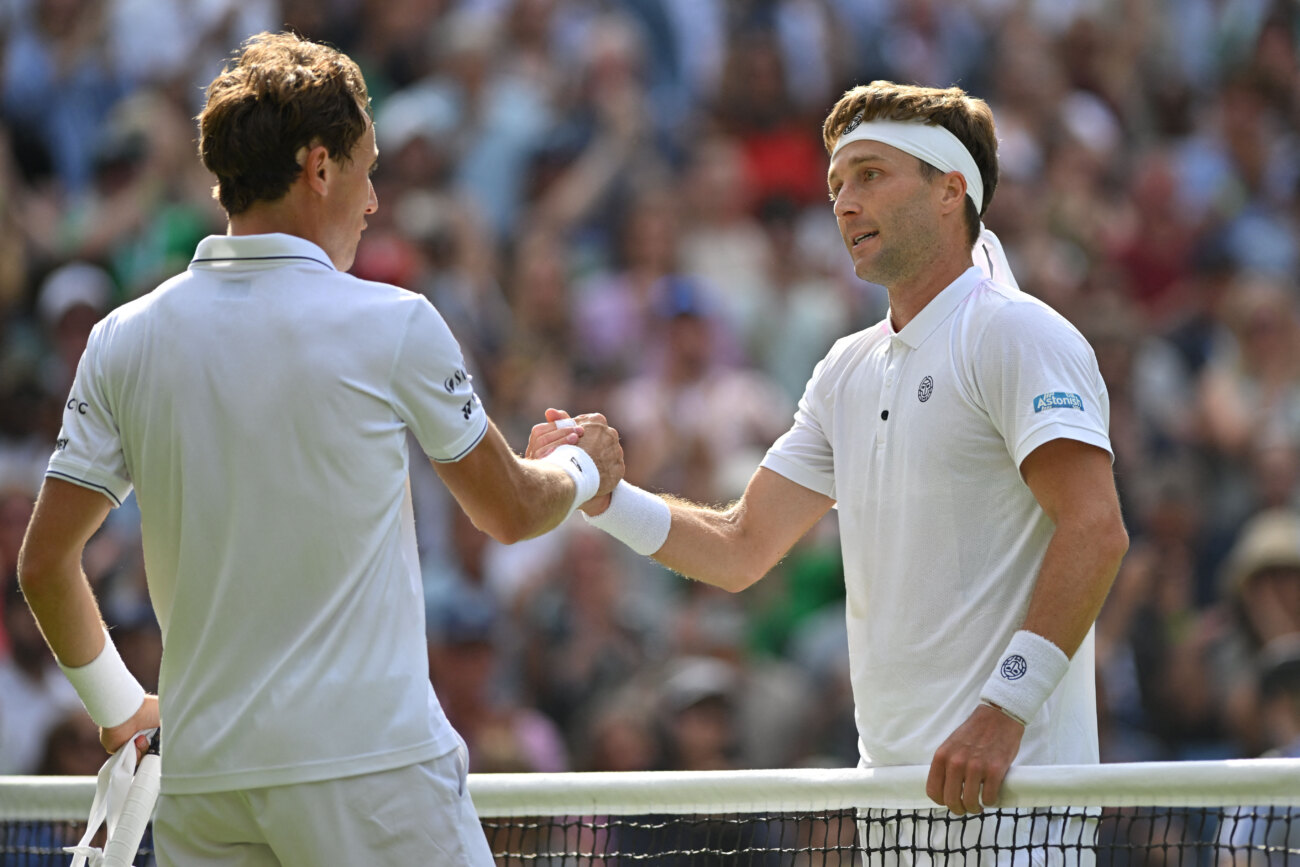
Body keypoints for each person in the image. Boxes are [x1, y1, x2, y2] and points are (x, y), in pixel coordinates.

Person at [16, 31, 622, 866]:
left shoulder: (122, 338)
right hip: (374, 777)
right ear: (319, 166)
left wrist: (120, 705)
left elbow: (45, 564)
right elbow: (513, 510)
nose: (374, 200)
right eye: (367, 168)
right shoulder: (396, 321)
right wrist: (583, 467)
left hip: (207, 786)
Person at [531, 80, 1129, 825]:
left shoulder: (1018, 334)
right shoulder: (846, 368)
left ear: (951, 191)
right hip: (892, 800)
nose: (844, 202)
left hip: (1018, 801)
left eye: (871, 175)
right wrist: (607, 497)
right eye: (837, 184)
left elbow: (1096, 528)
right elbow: (740, 545)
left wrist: (1002, 710)